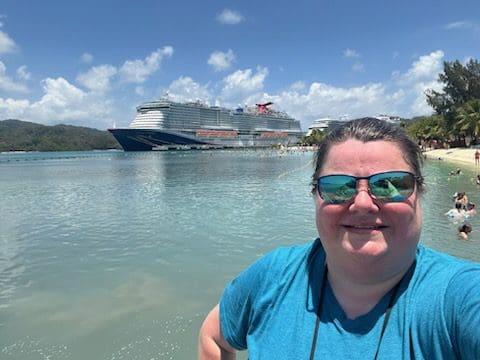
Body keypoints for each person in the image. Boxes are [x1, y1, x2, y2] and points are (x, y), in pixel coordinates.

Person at [198, 118, 480, 359]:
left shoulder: (458, 297)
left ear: (420, 193)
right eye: (338, 187)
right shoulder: (273, 275)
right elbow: (213, 336)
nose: (362, 203)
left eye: (391, 184)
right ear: (315, 197)